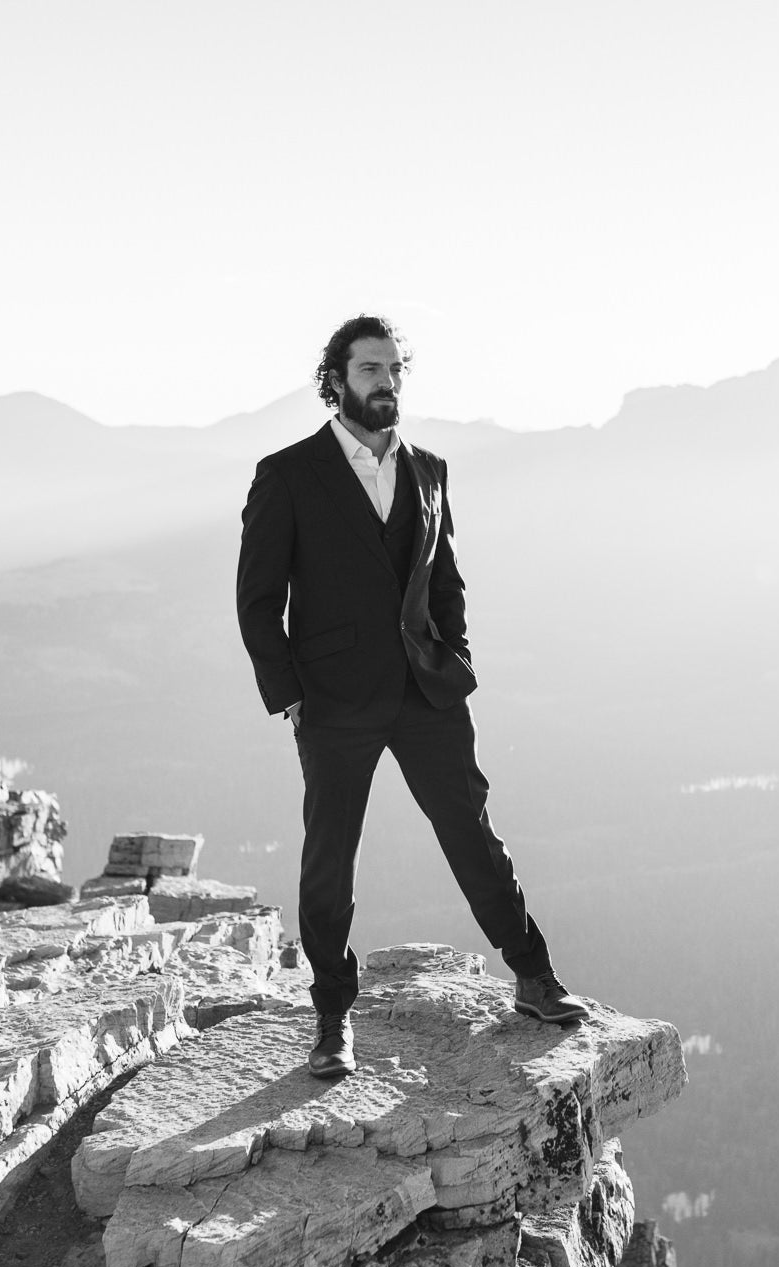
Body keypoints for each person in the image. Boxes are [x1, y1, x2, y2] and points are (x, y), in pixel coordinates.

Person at [235, 314, 589, 1079]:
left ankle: (533, 973)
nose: (386, 381)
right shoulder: (287, 474)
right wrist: (290, 695)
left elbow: (446, 580)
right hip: (333, 700)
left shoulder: (430, 469)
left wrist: (455, 657)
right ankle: (331, 1016)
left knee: (471, 829)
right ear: (336, 381)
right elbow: (257, 599)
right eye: (370, 369)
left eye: (395, 368)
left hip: (427, 692)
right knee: (331, 855)